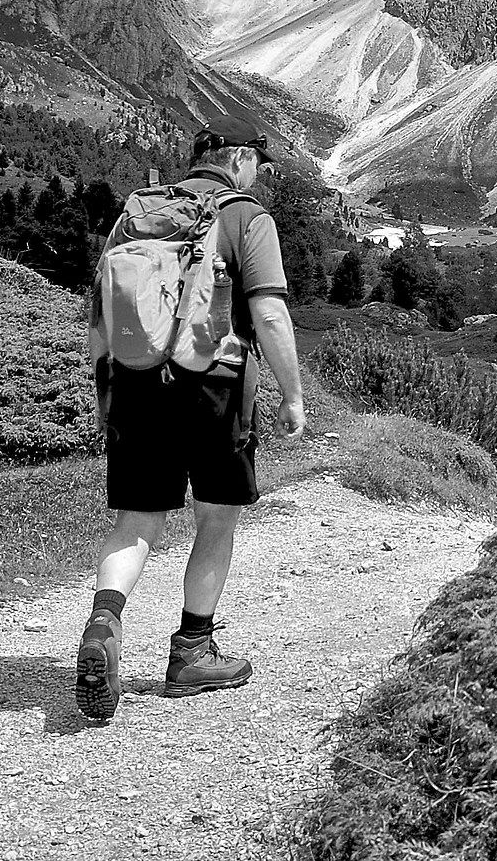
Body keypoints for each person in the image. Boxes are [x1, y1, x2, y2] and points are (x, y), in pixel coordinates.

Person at [74, 122, 309, 723]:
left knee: (137, 519)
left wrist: (107, 389)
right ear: (236, 158)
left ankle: (104, 621)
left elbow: (100, 309)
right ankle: (192, 651)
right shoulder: (244, 216)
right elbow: (270, 313)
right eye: (258, 159)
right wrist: (292, 395)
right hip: (215, 383)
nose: (260, 171)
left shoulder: (136, 215)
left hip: (135, 379)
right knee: (216, 515)